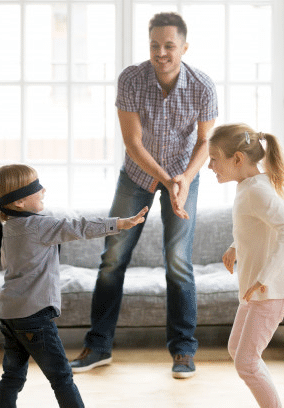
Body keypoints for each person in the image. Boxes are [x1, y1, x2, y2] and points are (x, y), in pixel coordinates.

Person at [70, 11, 218, 378]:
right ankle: (98, 346)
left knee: (178, 261)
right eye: (155, 45)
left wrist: (181, 179)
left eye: (170, 45)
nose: (161, 52)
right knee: (112, 258)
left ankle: (183, 351)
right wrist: (164, 180)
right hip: (136, 177)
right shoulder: (132, 79)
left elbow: (206, 141)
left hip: (184, 177)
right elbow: (133, 143)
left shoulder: (203, 85)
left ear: (184, 46)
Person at [0, 164, 147, 408]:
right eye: (35, 187)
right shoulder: (39, 226)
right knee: (61, 377)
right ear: (18, 202)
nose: (43, 189)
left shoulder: (10, 227)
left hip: (9, 314)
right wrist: (120, 223)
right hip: (34, 316)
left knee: (12, 375)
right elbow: (79, 227)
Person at [208, 124, 284, 408]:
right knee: (238, 350)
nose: (209, 166)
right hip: (260, 290)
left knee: (246, 361)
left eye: (214, 159)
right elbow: (257, 226)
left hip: (271, 290)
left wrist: (264, 277)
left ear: (237, 159)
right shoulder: (250, 186)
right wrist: (236, 245)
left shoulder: (256, 191)